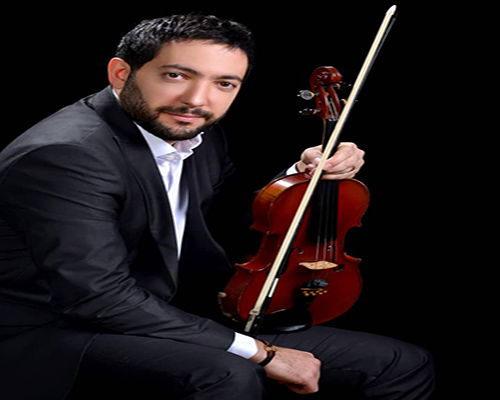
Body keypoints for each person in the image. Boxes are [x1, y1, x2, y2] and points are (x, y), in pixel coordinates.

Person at [0, 14, 434, 400]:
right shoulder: (66, 155)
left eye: (224, 84)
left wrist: (304, 177)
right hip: (52, 332)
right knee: (225, 375)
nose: (198, 99)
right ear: (120, 73)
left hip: (165, 314)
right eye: (176, 75)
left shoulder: (193, 132)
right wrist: (261, 353)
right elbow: (98, 297)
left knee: (399, 363)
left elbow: (230, 226)